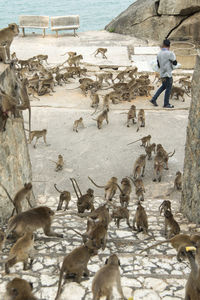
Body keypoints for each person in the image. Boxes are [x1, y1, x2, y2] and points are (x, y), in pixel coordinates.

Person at [150, 39, 177, 108]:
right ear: (169, 46)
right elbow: (175, 62)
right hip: (168, 74)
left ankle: (154, 99)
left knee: (163, 86)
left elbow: (158, 64)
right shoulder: (170, 53)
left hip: (162, 74)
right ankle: (166, 103)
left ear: (163, 45)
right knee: (168, 89)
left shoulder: (159, 54)